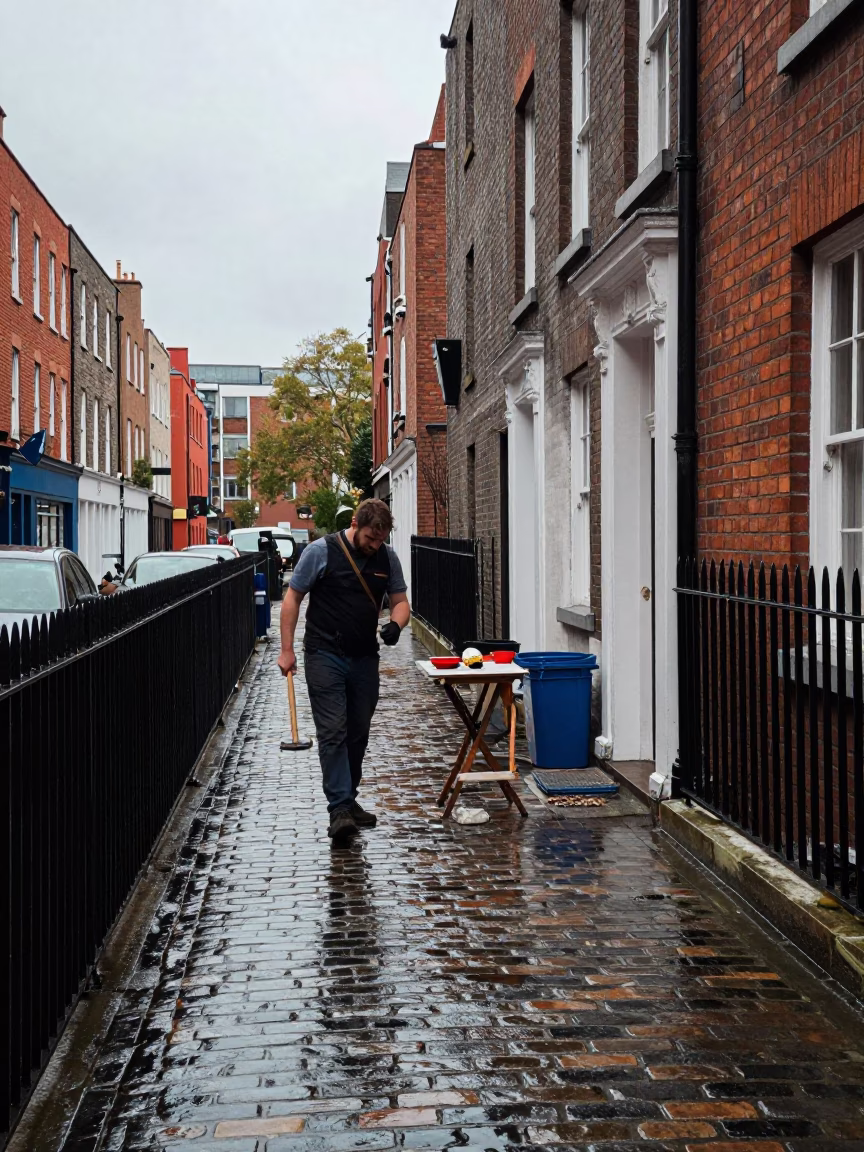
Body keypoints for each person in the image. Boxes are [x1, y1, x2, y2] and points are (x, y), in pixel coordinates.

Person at [278, 499, 410, 844]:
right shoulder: (320, 552)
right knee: (333, 729)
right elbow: (293, 598)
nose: (374, 545)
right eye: (370, 538)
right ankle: (338, 809)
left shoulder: (387, 558)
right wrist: (287, 649)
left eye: (380, 540)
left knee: (358, 731)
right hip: (324, 653)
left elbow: (400, 601)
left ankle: (348, 799)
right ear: (356, 524)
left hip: (365, 657)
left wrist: (396, 624)